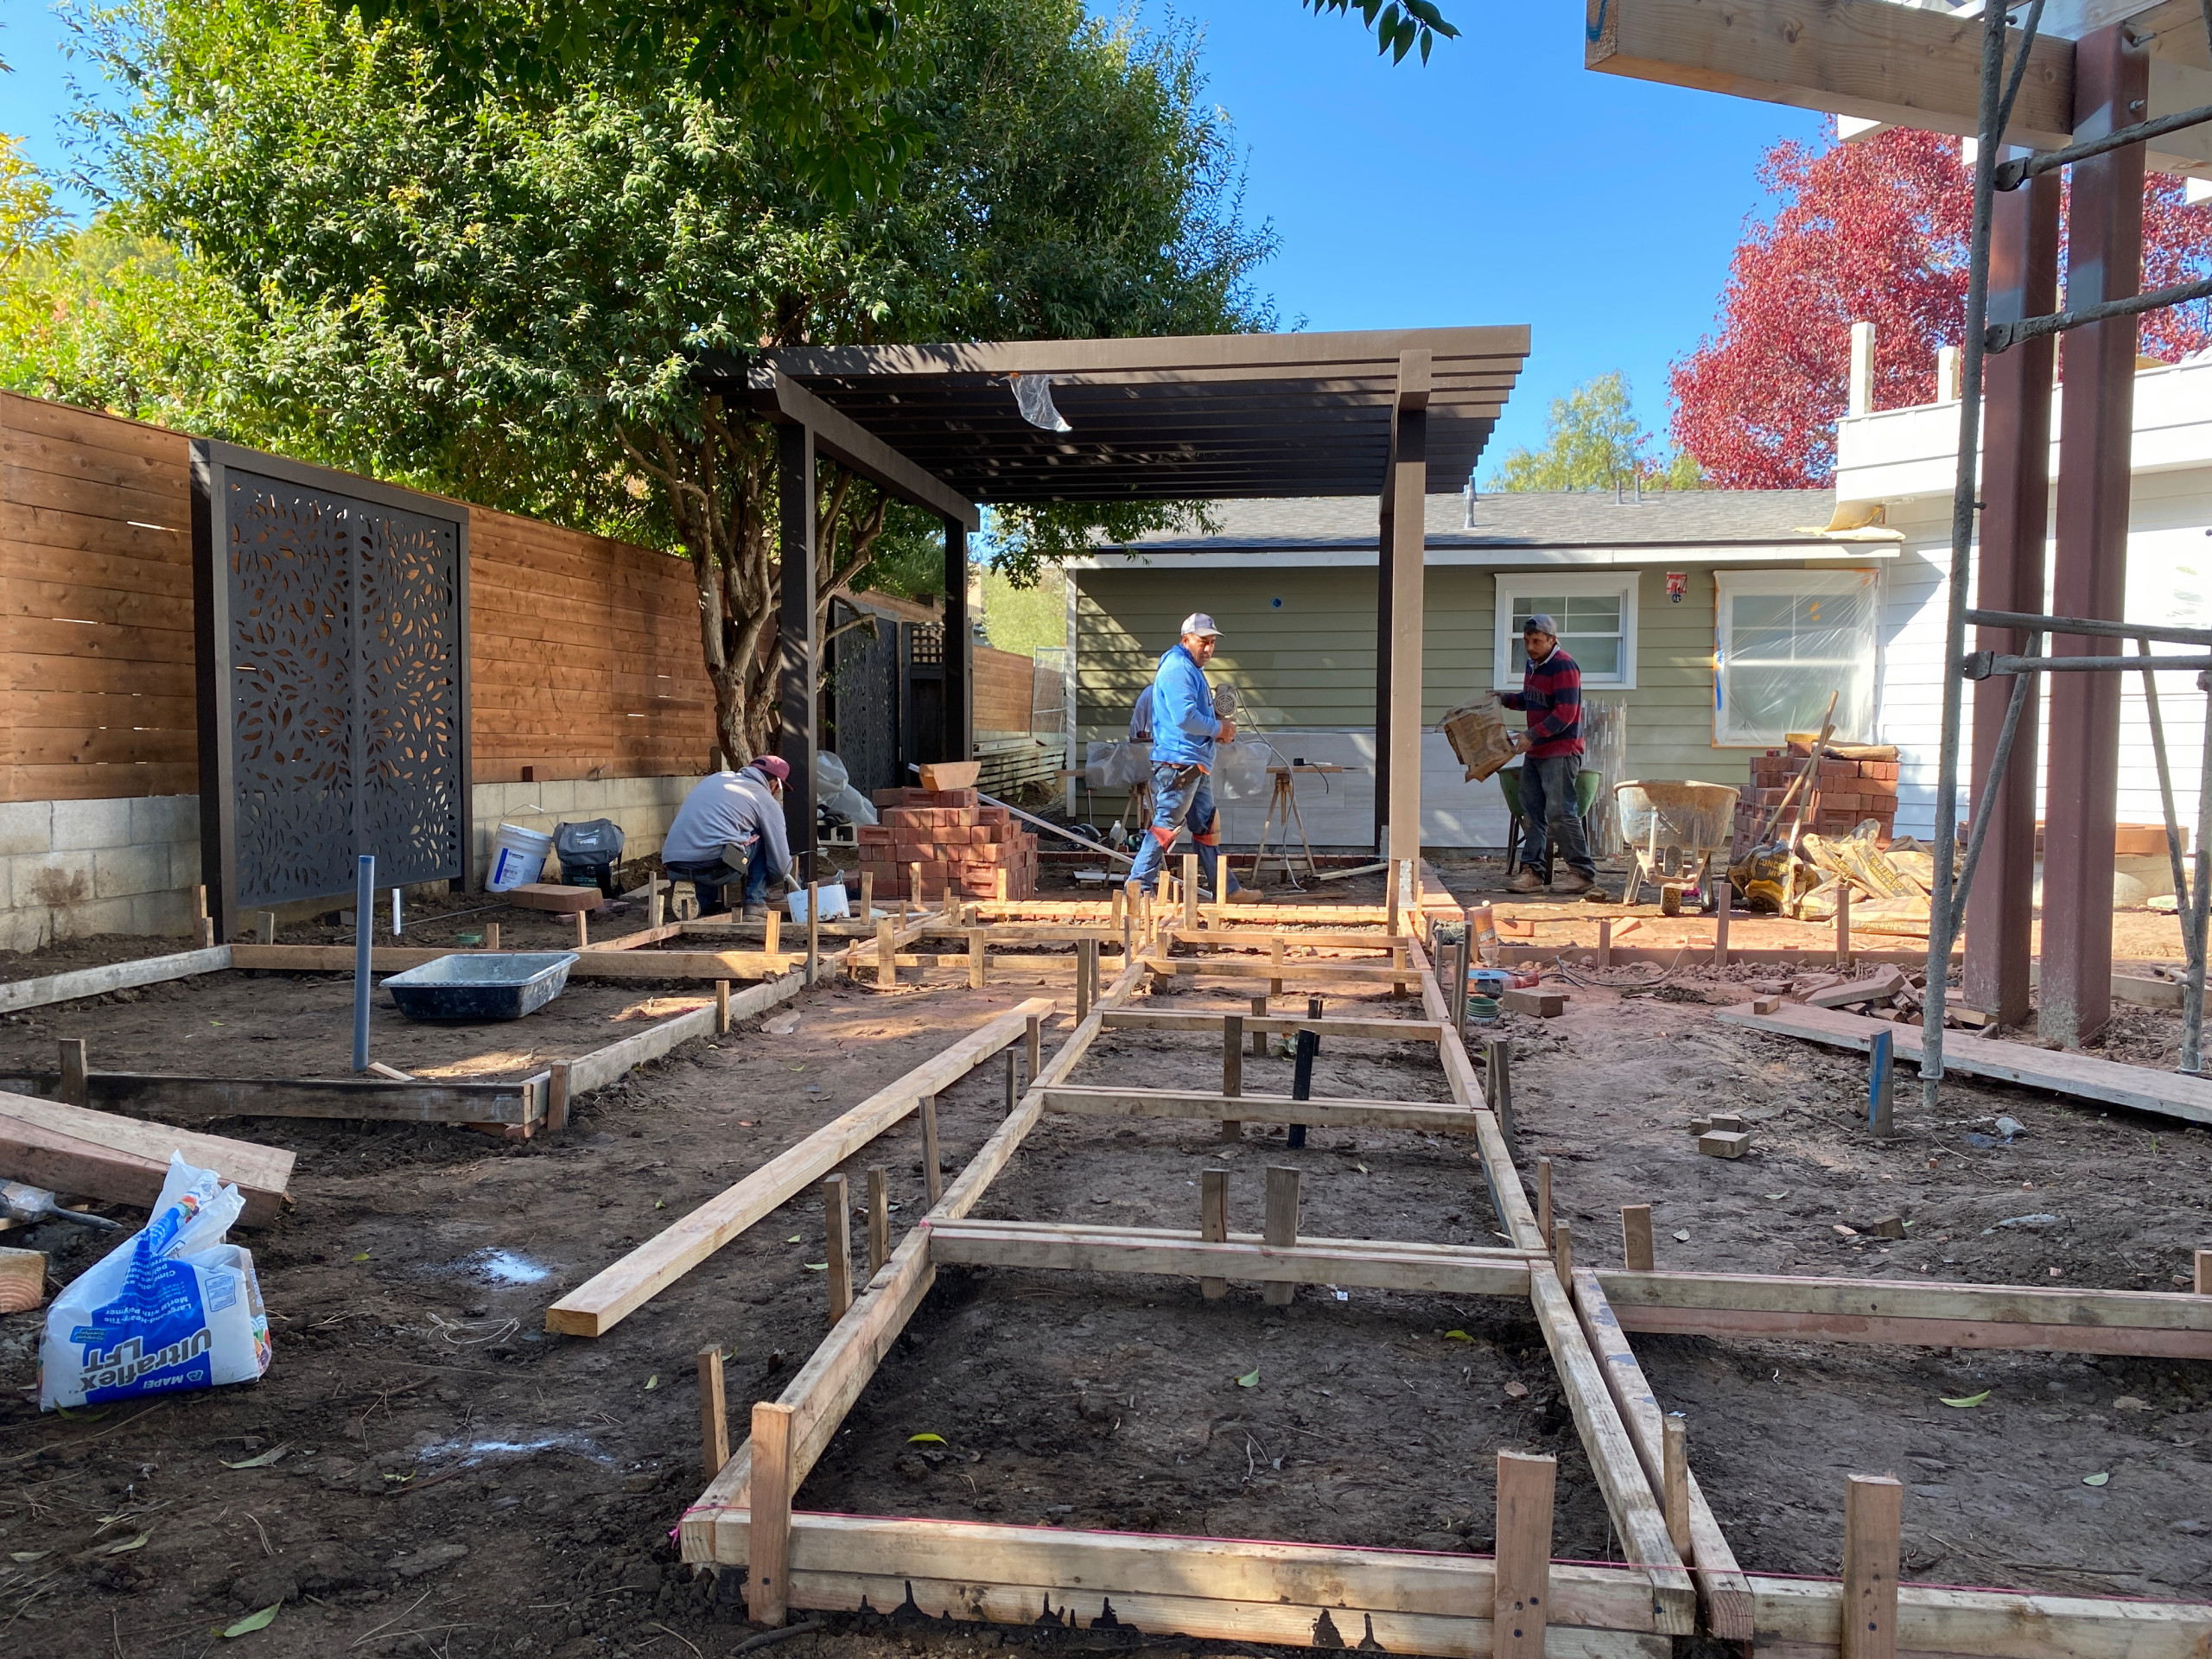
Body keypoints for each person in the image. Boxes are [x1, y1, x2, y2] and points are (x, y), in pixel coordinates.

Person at [1129, 613, 1249, 900]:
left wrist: (1215, 722)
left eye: (1211, 643)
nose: (1208, 649)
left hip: (1194, 762)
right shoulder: (1177, 668)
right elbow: (1185, 717)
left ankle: (1228, 890)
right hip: (1180, 763)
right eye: (1202, 642)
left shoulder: (1190, 668)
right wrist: (1220, 728)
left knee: (1206, 826)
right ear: (1186, 640)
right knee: (1165, 826)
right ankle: (1137, 889)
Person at [1501, 613, 1603, 898]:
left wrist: (1531, 735)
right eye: (1527, 641)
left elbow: (1566, 714)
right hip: (1537, 750)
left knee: (1560, 812)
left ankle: (1582, 873)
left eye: (1537, 641)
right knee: (1532, 812)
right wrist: (1504, 699)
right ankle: (1533, 873)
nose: (1530, 646)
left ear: (1552, 640)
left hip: (1560, 751)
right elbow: (1530, 698)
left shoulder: (1564, 665)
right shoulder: (1533, 665)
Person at [661, 754, 795, 920]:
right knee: (763, 837)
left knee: (708, 897)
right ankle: (755, 903)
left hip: (674, 864)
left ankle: (694, 904)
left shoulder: (717, 778)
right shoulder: (764, 799)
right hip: (715, 866)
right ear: (775, 784)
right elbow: (781, 866)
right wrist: (769, 879)